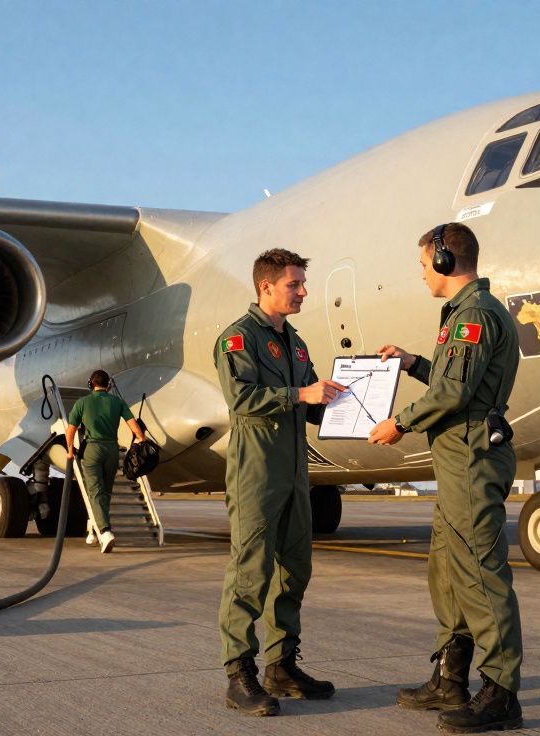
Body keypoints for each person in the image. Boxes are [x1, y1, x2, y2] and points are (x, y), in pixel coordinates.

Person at [368, 223, 524, 733]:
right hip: (458, 458)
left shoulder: (474, 316)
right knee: (448, 570)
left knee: (479, 572)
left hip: (471, 458)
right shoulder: (464, 316)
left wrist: (401, 422)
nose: (420, 275)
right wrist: (414, 362)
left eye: (421, 265)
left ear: (443, 260)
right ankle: (449, 678)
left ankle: (500, 694)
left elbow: (454, 395)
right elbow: (453, 377)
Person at [213, 248, 348, 716]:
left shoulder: (296, 343)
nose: (303, 291)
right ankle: (239, 673)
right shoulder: (238, 339)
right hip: (257, 471)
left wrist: (350, 398)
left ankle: (282, 665)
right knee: (250, 573)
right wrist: (300, 393)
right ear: (266, 286)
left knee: (295, 570)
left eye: (302, 284)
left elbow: (309, 406)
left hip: (295, 475)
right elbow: (243, 398)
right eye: (294, 284)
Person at [65, 369, 148, 554]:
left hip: (92, 450)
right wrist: (142, 440)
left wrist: (70, 450)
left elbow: (70, 431)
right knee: (105, 493)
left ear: (90, 384)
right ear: (108, 385)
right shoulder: (117, 402)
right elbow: (133, 424)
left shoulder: (82, 403)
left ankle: (105, 531)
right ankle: (94, 530)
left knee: (94, 492)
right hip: (112, 450)